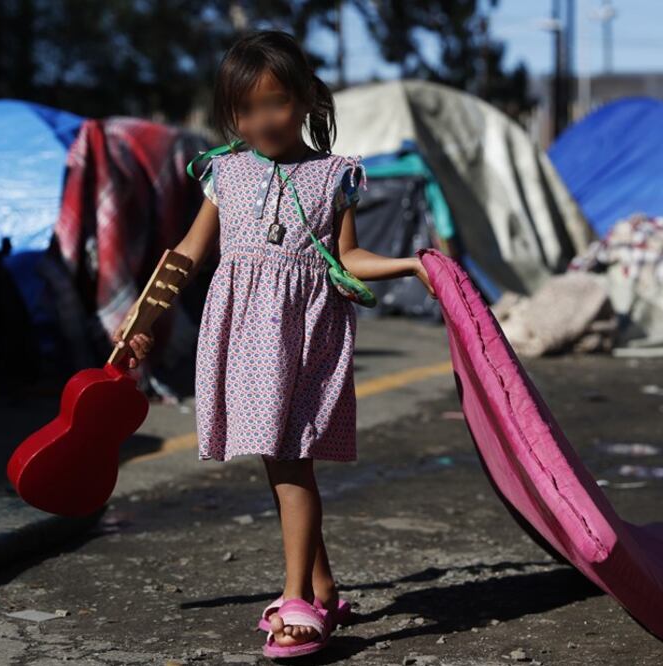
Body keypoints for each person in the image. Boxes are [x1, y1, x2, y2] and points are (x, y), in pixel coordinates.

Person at [112, 29, 436, 659]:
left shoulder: (334, 175)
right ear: (230, 113)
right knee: (280, 460)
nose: (262, 119)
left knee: (291, 459)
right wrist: (141, 322)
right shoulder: (224, 174)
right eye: (247, 108)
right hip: (243, 336)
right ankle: (323, 589)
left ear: (307, 100)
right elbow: (186, 255)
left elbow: (349, 258)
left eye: (276, 102)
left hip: (309, 336)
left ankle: (295, 601)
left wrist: (410, 266)